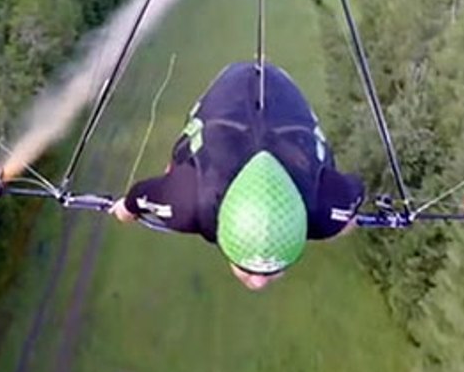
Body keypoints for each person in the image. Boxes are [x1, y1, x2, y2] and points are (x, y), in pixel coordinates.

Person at [110, 61, 365, 290]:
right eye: (266, 270)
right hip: (234, 100)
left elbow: (137, 198)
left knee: (176, 170)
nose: (259, 283)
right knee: (178, 166)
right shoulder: (188, 202)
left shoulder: (328, 209)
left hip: (278, 103)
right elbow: (139, 198)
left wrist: (126, 210)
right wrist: (127, 209)